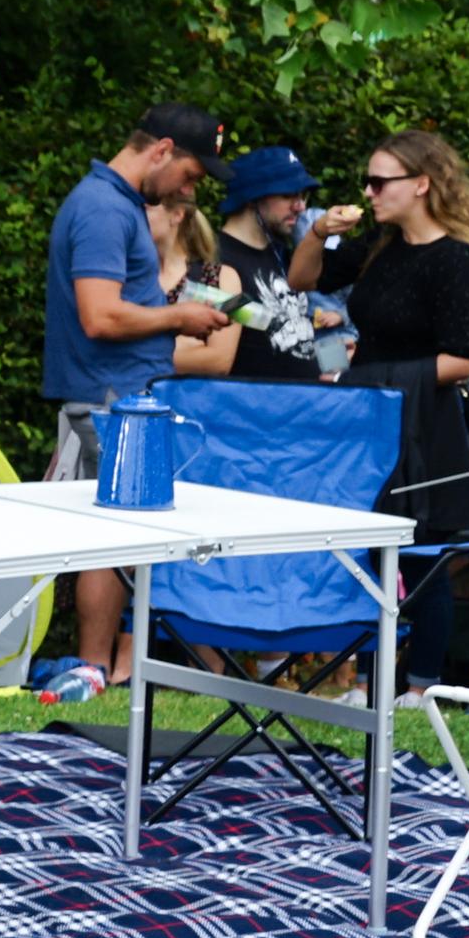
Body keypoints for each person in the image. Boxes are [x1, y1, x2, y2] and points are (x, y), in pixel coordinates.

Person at [34, 101, 228, 700]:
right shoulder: (100, 209)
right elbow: (98, 315)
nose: (190, 190)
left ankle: (102, 667)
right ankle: (93, 669)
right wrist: (180, 314)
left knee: (119, 536)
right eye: (192, 175)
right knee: (109, 538)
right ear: (162, 149)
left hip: (120, 393)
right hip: (110, 398)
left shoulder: (116, 204)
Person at [339, 130, 469, 688]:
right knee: (359, 552)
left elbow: (461, 360)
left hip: (424, 425)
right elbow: (302, 279)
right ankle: (363, 680)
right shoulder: (377, 250)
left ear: (422, 184)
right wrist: (317, 232)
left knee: (424, 559)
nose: (369, 191)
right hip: (368, 419)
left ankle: (420, 684)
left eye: (380, 181)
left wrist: (366, 378)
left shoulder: (458, 260)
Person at [214, 145, 340, 385]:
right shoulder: (214, 260)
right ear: (252, 197)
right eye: (288, 195)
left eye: (302, 195)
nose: (300, 206)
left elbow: (307, 321)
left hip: (312, 407)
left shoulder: (286, 255)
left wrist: (339, 365)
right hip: (255, 414)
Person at [152, 193, 243, 381]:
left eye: (146, 207)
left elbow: (219, 362)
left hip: (192, 405)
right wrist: (182, 348)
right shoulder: (125, 276)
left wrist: (138, 350)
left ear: (177, 214)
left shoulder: (224, 277)